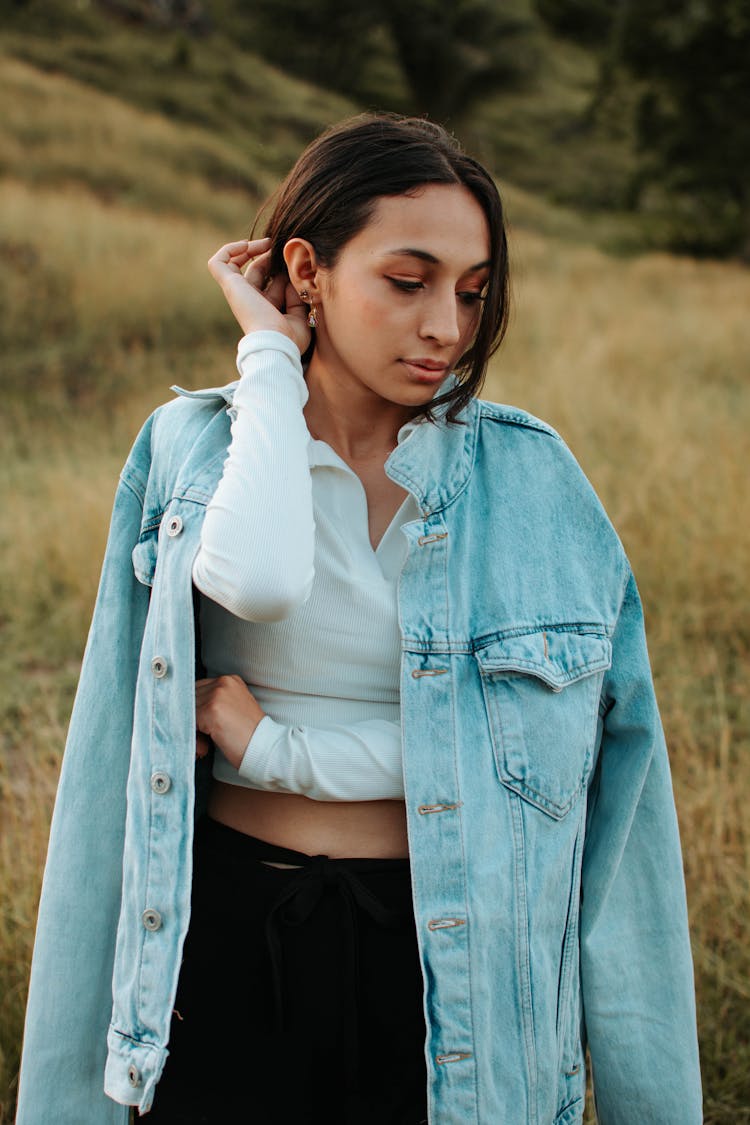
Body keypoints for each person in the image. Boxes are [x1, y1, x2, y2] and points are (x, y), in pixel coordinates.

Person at [16, 114, 702, 1124]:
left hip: (452, 981)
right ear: (308, 271)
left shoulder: (535, 482)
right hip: (221, 952)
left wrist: (281, 748)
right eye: (407, 280)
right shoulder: (191, 452)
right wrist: (266, 363)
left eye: (472, 293)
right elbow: (253, 592)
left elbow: (595, 793)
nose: (446, 329)